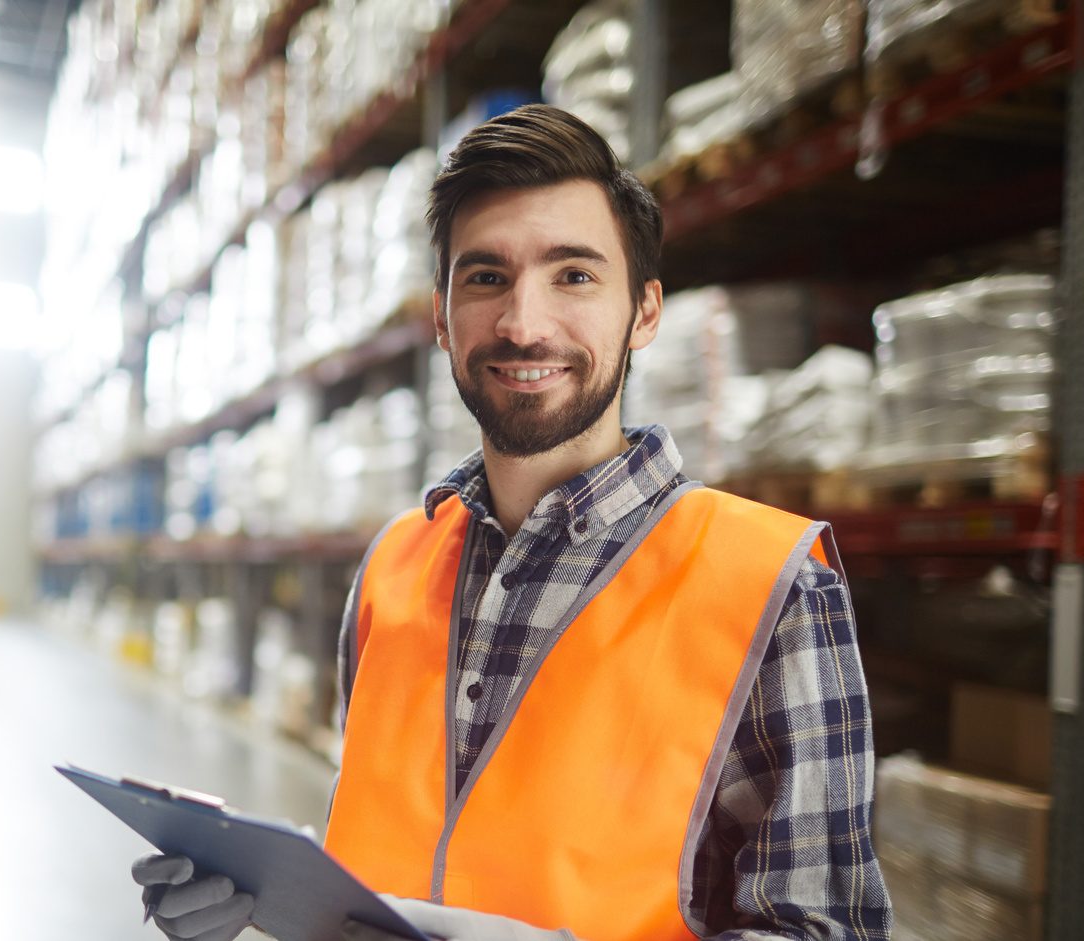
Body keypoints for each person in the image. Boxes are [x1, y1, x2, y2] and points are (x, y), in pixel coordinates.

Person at [132, 104, 893, 941]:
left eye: (573, 275)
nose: (524, 324)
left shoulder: (768, 580)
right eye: (486, 277)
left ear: (644, 311)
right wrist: (260, 903)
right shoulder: (393, 566)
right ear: (440, 314)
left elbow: (827, 930)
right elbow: (392, 869)